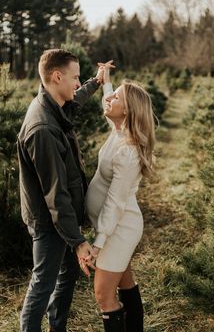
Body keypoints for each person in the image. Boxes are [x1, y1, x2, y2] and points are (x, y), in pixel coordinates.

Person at [17, 49, 112, 332]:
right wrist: (77, 240)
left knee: (66, 277)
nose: (76, 82)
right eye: (75, 77)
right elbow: (55, 195)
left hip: (64, 218)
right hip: (50, 222)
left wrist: (95, 83)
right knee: (42, 285)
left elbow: (73, 104)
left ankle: (57, 327)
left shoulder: (54, 105)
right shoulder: (42, 128)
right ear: (57, 76)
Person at [84, 64, 156, 332]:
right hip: (113, 227)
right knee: (125, 282)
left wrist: (98, 244)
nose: (109, 100)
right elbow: (108, 100)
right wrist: (107, 82)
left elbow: (114, 203)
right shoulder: (119, 131)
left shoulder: (128, 151)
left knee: (104, 295)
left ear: (126, 110)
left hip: (119, 229)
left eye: (116, 99)